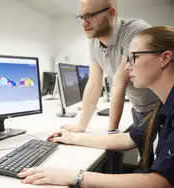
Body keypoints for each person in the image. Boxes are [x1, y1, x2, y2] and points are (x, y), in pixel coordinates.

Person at [18, 26, 174, 187]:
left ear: (165, 58)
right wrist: (74, 138)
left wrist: (75, 176)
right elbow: (129, 138)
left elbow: (161, 182)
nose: (127, 67)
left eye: (133, 57)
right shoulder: (163, 106)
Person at [60, 0, 159, 134]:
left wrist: (112, 131)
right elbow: (94, 83)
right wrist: (81, 126)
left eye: (90, 16)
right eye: (81, 17)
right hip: (139, 109)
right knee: (145, 154)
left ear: (111, 13)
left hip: (162, 106)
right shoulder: (94, 42)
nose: (84, 23)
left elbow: (119, 81)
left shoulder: (135, 30)